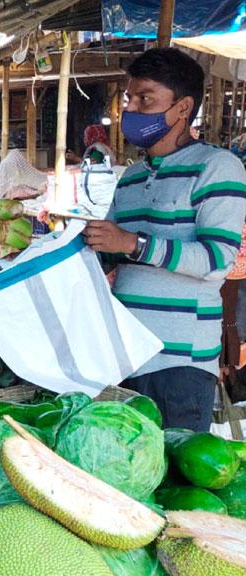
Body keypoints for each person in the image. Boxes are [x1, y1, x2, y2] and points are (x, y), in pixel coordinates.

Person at [82, 48, 246, 431]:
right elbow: (111, 248)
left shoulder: (218, 166)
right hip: (125, 354)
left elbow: (216, 259)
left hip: (179, 366)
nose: (131, 109)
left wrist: (133, 244)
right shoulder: (133, 176)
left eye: (145, 98)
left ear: (183, 107)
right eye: (129, 99)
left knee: (173, 479)